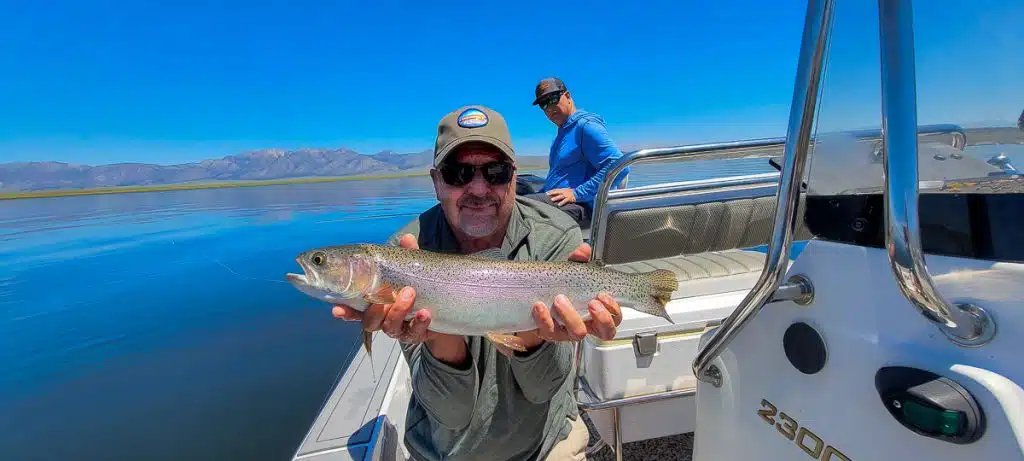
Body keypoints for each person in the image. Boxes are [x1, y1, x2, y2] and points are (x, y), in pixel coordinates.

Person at [329, 105, 623, 461]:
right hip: (446, 451)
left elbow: (543, 389)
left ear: (514, 177)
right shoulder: (403, 255)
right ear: (436, 182)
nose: (479, 188)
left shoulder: (556, 236)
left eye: (496, 172)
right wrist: (438, 333)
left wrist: (533, 337)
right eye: (458, 174)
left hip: (546, 443)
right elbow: (451, 413)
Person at [524, 77, 630, 228]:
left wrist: (577, 193)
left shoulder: (585, 126)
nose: (549, 108)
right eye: (543, 104)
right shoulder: (562, 134)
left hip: (583, 207)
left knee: (518, 211)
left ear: (567, 96)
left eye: (553, 99)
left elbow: (619, 166)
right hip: (562, 202)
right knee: (515, 199)